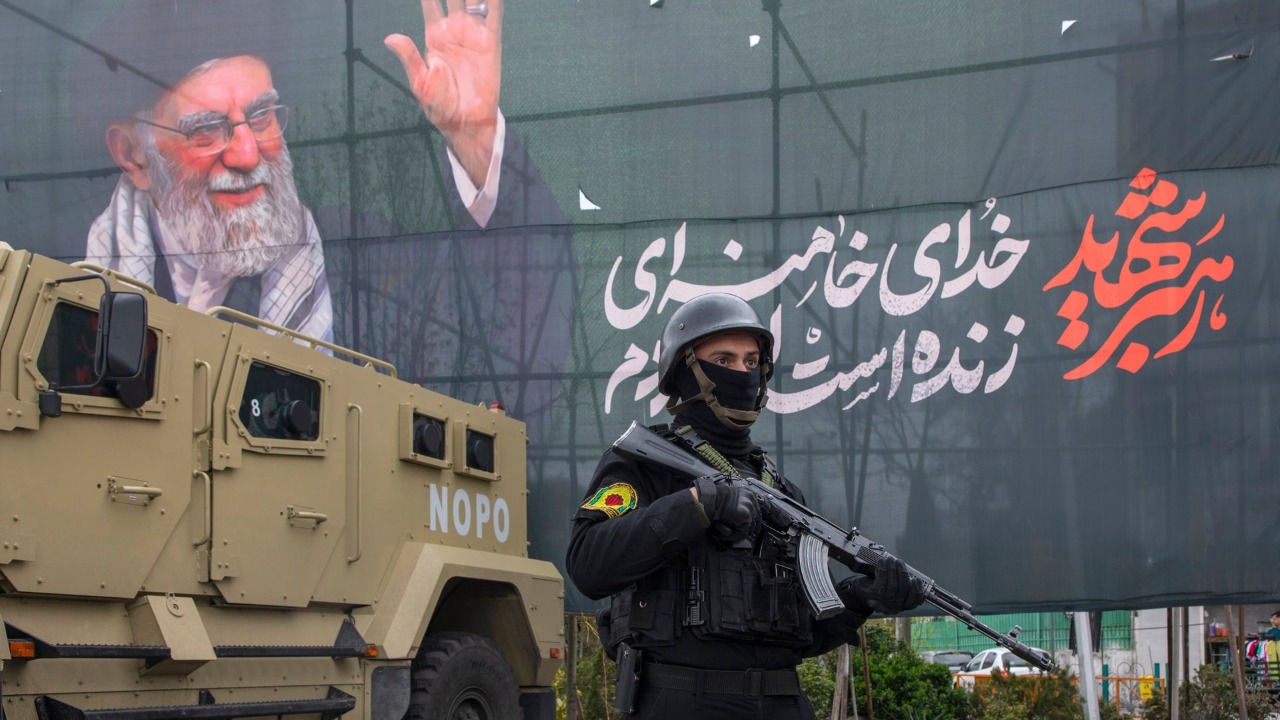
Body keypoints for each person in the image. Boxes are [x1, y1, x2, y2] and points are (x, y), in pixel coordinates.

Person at [565, 292, 927, 719]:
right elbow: (588, 564)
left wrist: (860, 599)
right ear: (684, 370)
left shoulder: (781, 491)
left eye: (751, 361)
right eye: (724, 359)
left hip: (782, 702)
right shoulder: (644, 464)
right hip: (681, 701)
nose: (741, 372)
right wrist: (698, 504)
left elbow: (804, 632)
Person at [82, 0, 529, 345]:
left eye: (261, 116)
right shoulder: (73, 288)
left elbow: (516, 310)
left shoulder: (369, 259)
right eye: (206, 130)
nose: (246, 154)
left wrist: (475, 143)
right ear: (132, 155)